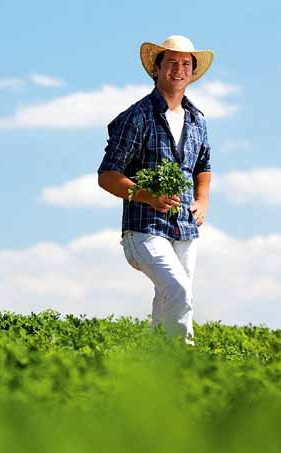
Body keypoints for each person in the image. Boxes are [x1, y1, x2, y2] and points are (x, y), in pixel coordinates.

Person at [96, 35, 214, 346]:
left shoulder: (198, 121)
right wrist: (148, 196)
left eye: (186, 64)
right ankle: (182, 359)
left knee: (170, 298)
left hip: (185, 227)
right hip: (143, 229)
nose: (179, 69)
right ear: (157, 69)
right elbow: (107, 175)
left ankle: (156, 366)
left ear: (192, 73)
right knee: (177, 289)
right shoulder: (137, 117)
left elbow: (204, 166)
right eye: (172, 62)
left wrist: (202, 200)